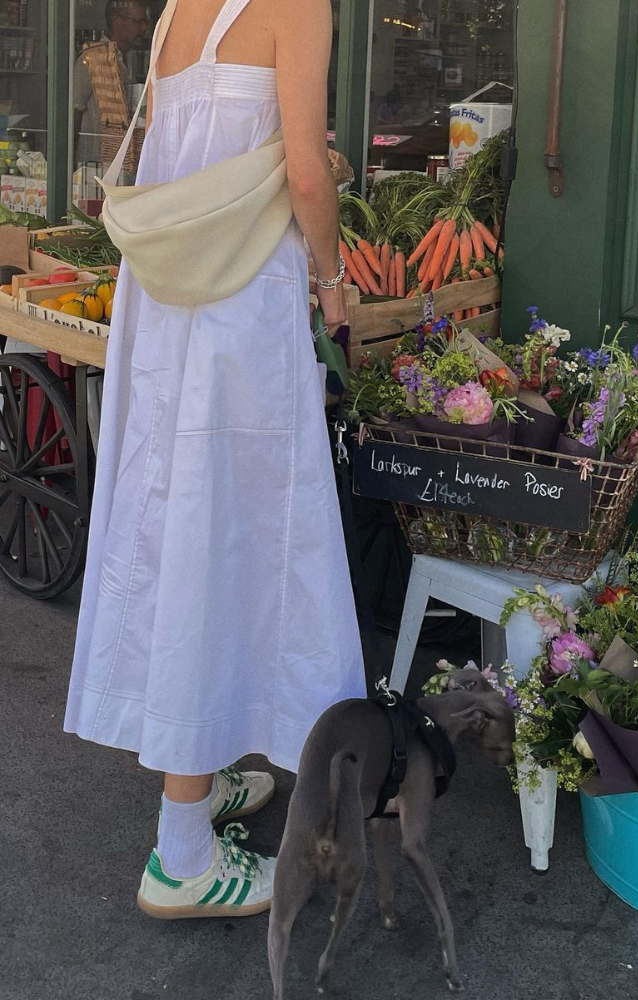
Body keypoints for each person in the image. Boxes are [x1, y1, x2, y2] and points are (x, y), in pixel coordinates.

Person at [64, 0, 364, 919]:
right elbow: (307, 176)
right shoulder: (297, 7)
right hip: (242, 317)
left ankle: (207, 760)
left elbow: (167, 152)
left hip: (168, 314)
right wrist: (332, 274)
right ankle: (182, 853)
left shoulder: (173, 15)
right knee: (224, 540)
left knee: (183, 528)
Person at [73, 0, 155, 179]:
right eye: (138, 22)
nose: (143, 30)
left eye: (145, 23)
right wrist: (70, 160)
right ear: (117, 20)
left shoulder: (128, 59)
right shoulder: (92, 59)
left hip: (123, 160)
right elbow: (74, 111)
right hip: (93, 163)